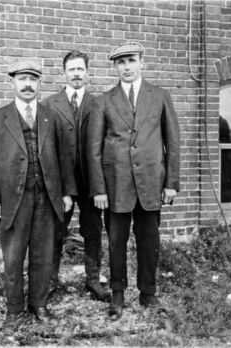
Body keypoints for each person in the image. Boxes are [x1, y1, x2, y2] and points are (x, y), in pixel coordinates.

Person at [86, 42, 180, 318]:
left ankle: (148, 293)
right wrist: (99, 189)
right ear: (114, 66)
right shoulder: (104, 100)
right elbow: (93, 150)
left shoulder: (160, 96)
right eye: (120, 62)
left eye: (131, 61)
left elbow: (172, 142)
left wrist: (171, 183)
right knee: (116, 241)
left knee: (149, 241)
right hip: (116, 186)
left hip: (151, 184)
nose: (126, 67)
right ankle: (117, 292)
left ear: (142, 62)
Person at [0, 59, 76, 324]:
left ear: (39, 84)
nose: (27, 84)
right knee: (13, 258)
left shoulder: (51, 116)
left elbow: (64, 158)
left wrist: (67, 193)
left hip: (46, 198)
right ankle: (14, 310)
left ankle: (39, 305)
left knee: (42, 255)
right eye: (22, 79)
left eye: (32, 79)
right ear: (13, 83)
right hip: (13, 200)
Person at [43, 50, 111, 302]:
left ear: (88, 73)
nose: (76, 74)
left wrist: (100, 185)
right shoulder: (49, 104)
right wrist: (59, 188)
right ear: (64, 73)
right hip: (61, 185)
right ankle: (50, 280)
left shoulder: (99, 104)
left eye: (80, 69)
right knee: (56, 230)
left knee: (93, 230)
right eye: (71, 69)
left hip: (91, 182)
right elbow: (47, 149)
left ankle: (93, 279)